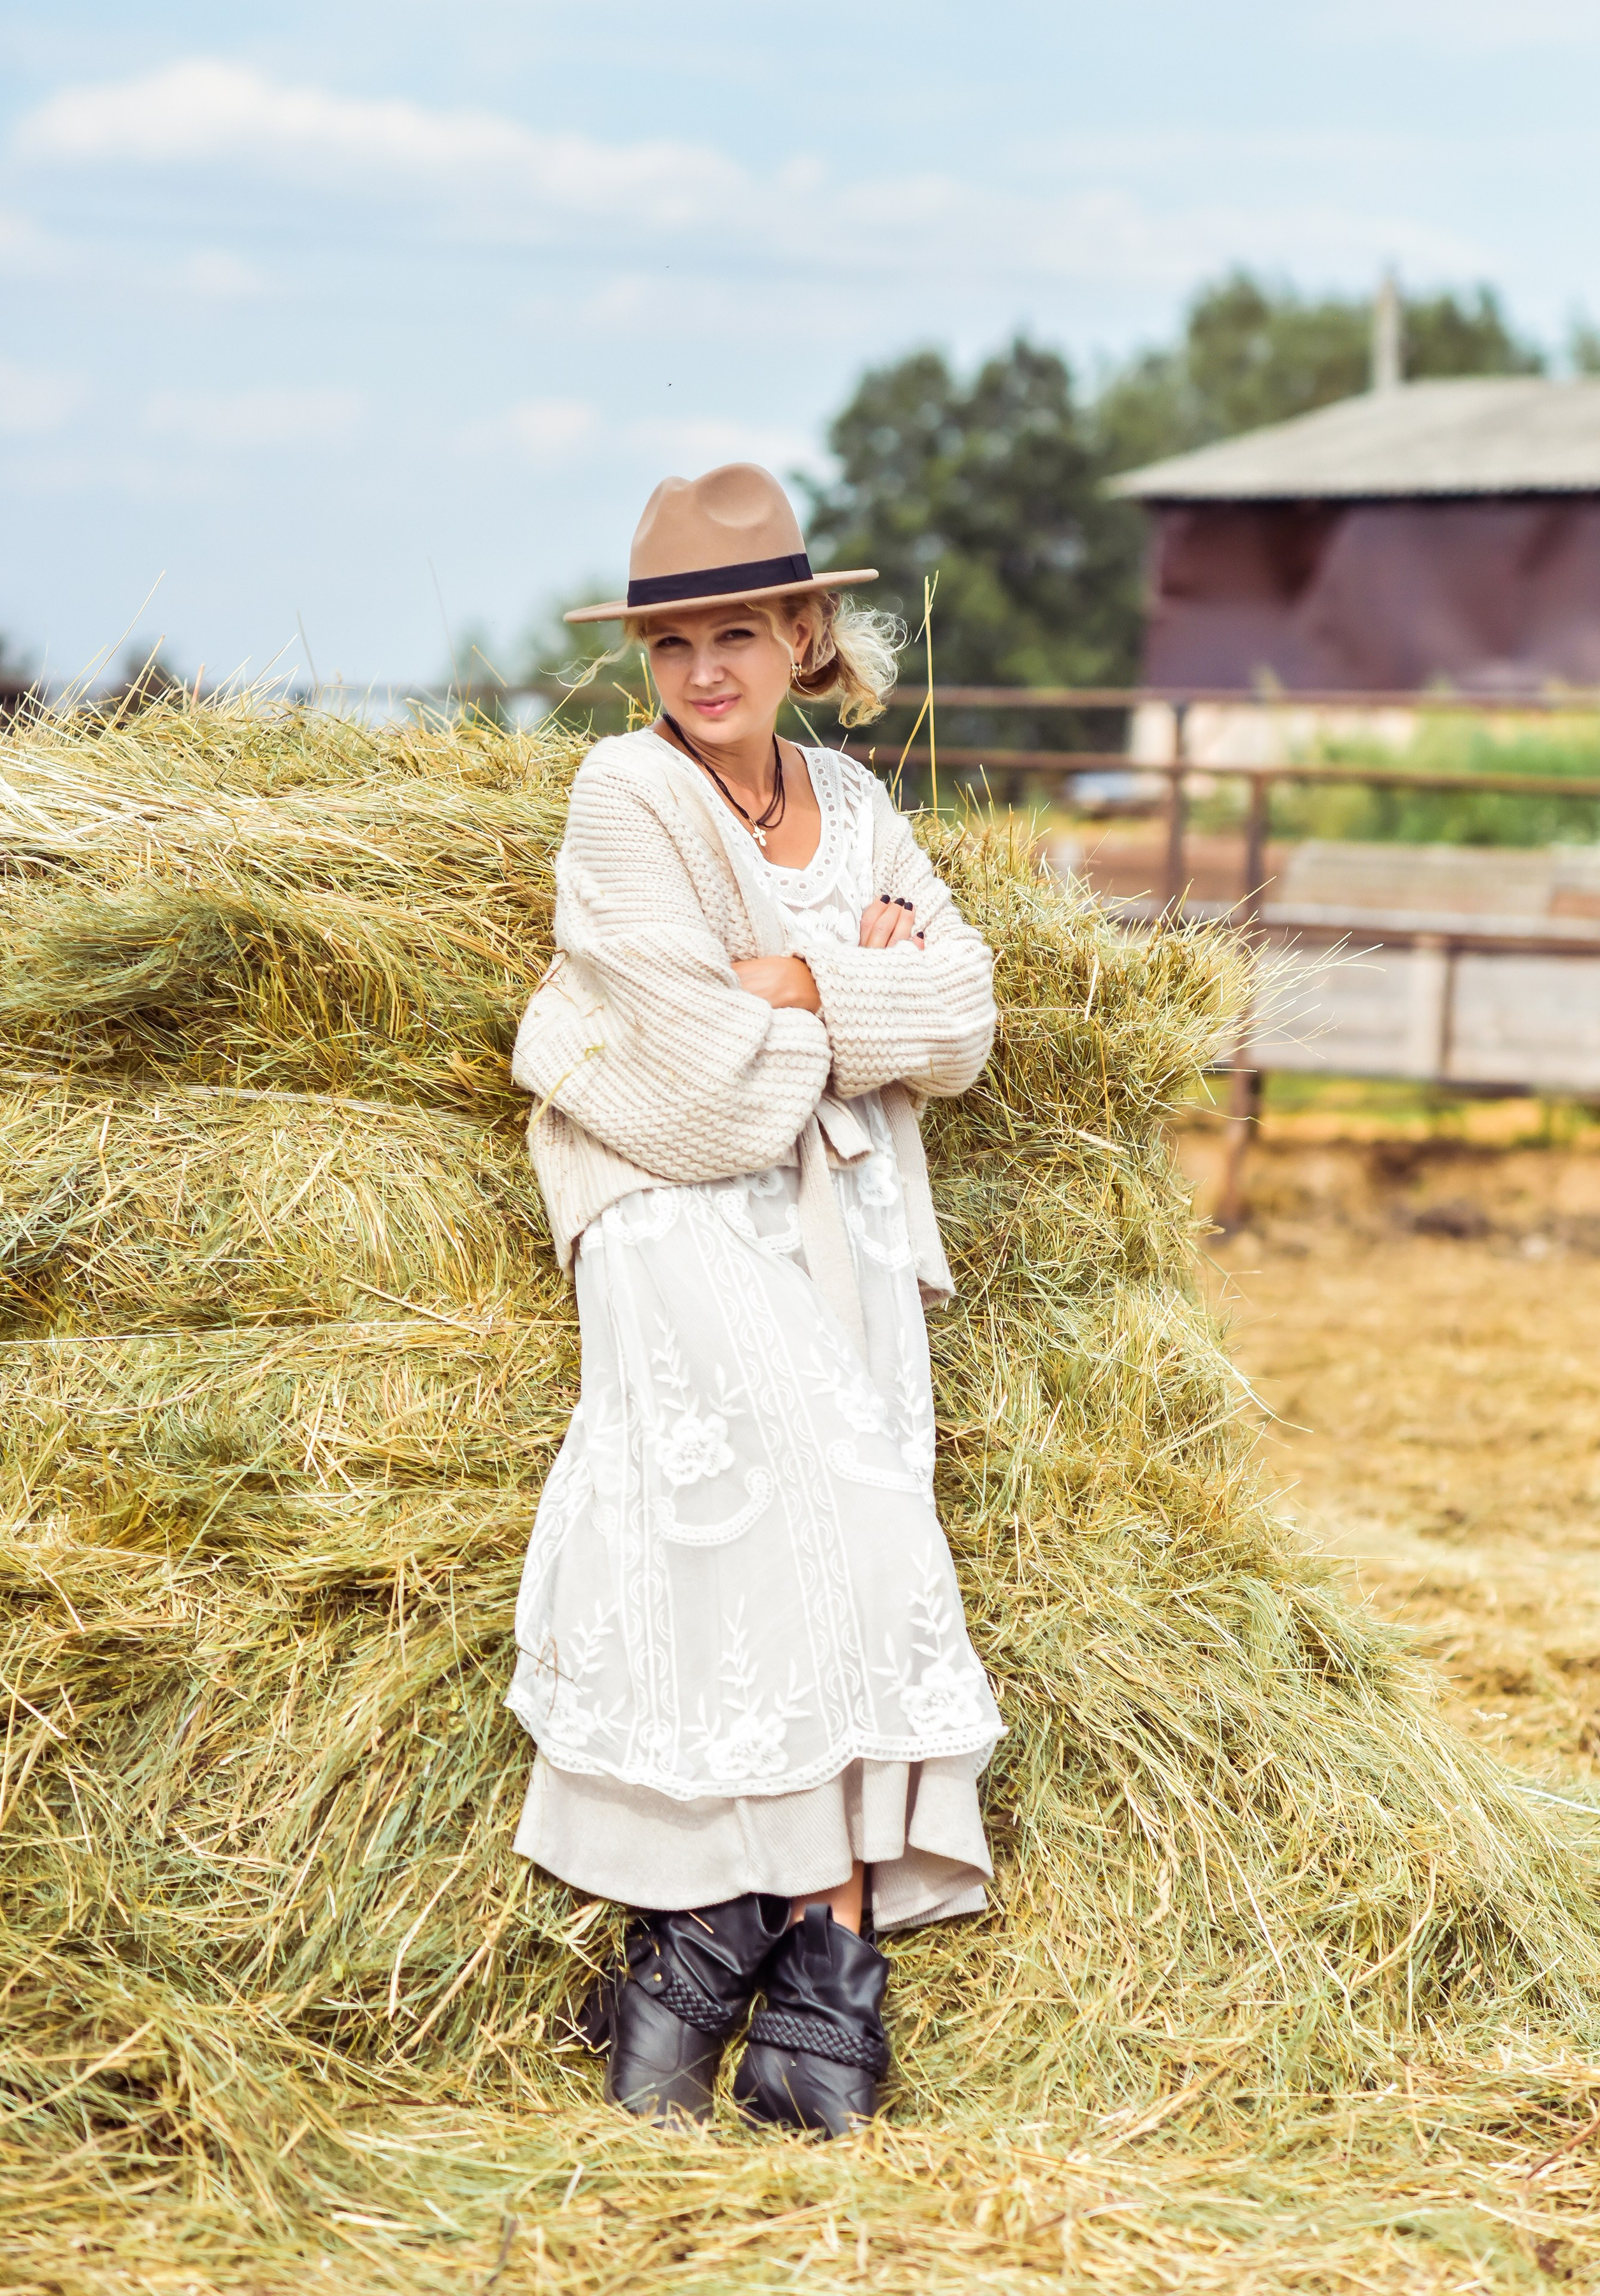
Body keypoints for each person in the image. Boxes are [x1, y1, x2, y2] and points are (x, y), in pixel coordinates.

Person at [507, 462, 1003, 2137]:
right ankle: (812, 1952)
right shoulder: (624, 798)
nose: (703, 671)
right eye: (672, 644)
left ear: (800, 633)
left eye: (736, 634)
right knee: (821, 1515)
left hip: (845, 1220)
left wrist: (797, 986)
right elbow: (695, 1076)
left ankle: (728, 1975)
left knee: (857, 1537)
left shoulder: (853, 802)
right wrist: (859, 991)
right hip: (664, 1204)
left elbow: (965, 1019)